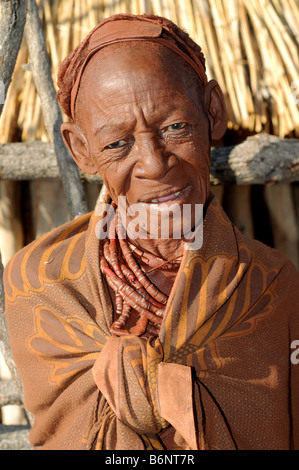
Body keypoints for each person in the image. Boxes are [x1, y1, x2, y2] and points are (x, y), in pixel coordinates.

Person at [4, 13, 299, 450]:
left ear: (212, 111)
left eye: (174, 127)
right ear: (81, 149)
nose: (155, 163)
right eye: (117, 143)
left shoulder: (272, 288)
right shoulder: (40, 284)